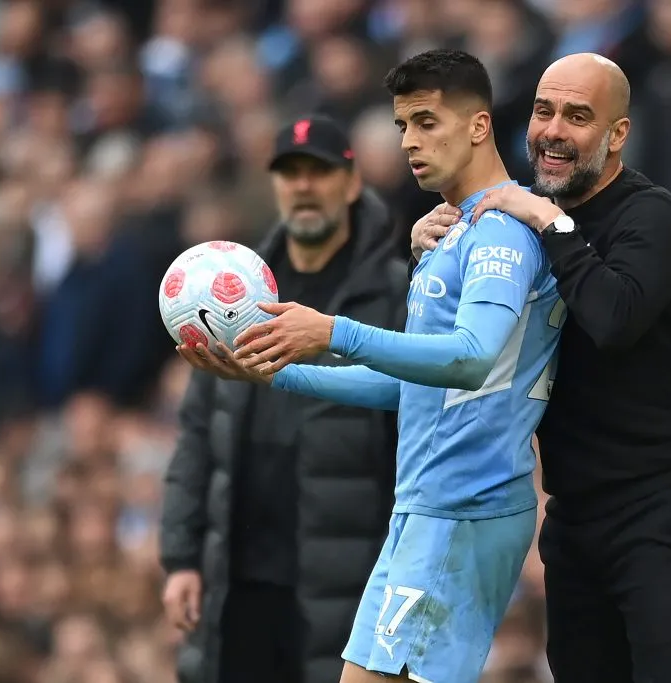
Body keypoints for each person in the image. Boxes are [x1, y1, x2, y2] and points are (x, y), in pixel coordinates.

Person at [178, 49, 562, 683]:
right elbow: (412, 388)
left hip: (463, 506)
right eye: (402, 126)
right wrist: (276, 374)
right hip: (428, 509)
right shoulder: (451, 232)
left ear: (478, 125)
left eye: (426, 122)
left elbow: (472, 358)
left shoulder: (501, 232)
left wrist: (335, 331)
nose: (409, 141)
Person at [411, 53, 671, 683]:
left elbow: (613, 319)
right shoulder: (518, 221)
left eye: (578, 116)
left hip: (662, 510)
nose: (553, 130)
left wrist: (550, 221)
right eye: (543, 110)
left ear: (617, 135)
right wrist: (430, 258)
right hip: (574, 518)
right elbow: (468, 346)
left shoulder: (649, 214)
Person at [159, 114, 409, 683]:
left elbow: (414, 431)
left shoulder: (396, 295)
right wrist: (181, 557)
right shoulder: (228, 294)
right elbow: (197, 435)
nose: (302, 185)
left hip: (344, 579)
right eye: (288, 172)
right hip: (238, 580)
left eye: (317, 171)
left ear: (350, 184)